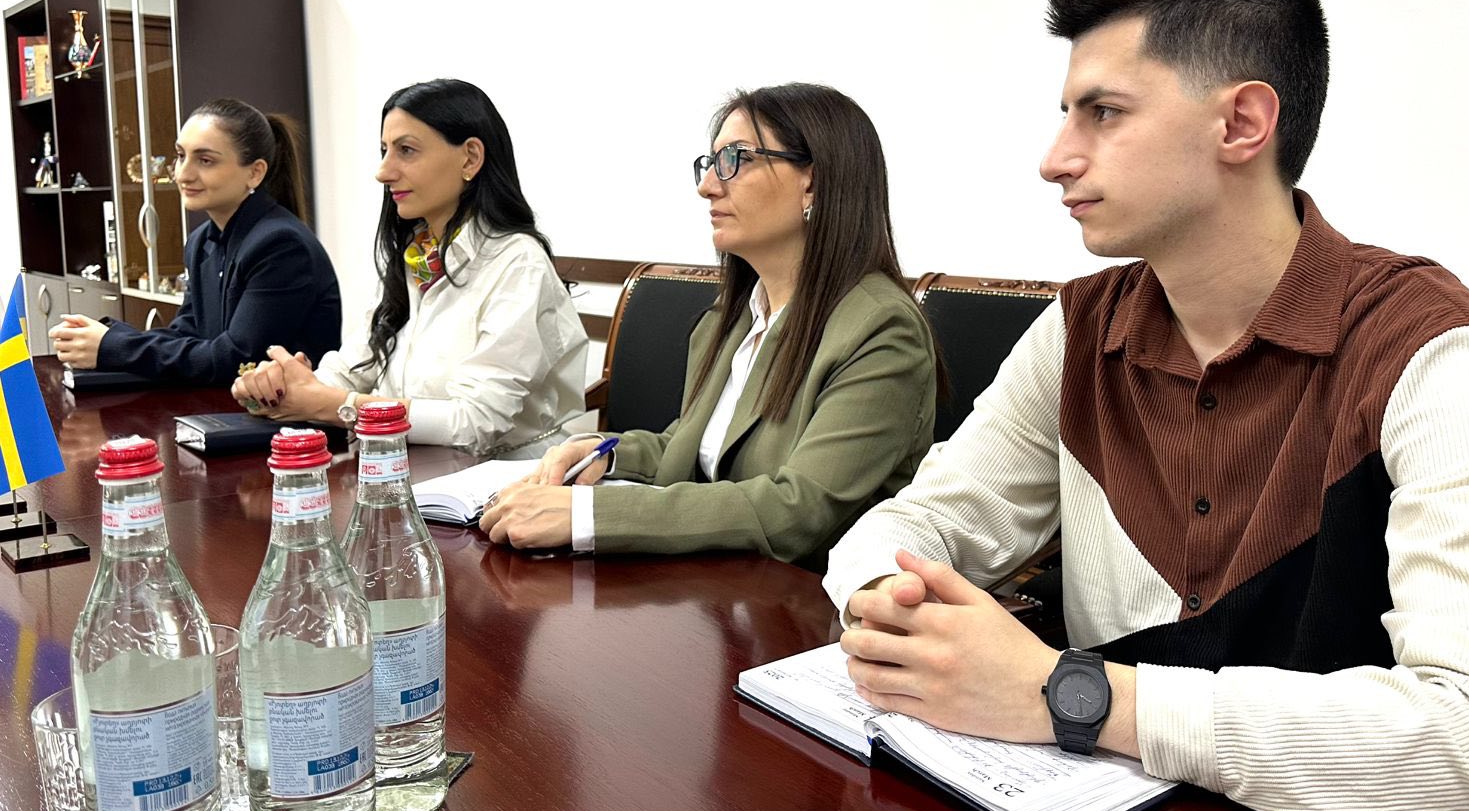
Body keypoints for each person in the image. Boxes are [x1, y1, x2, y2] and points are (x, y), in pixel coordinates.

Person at [824, 0, 1469, 811]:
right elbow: (916, 523)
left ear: (1241, 124)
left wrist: (1070, 695)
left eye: (1103, 112)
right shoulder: (1080, 329)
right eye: (1067, 114)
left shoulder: (1432, 349)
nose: (1055, 158)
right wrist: (885, 600)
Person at [479, 83, 939, 572]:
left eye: (737, 159)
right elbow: (694, 447)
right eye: (712, 163)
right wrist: (607, 454)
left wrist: (588, 514)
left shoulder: (881, 329)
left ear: (813, 183)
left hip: (808, 598)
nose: (709, 187)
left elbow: (798, 511)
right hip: (718, 584)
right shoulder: (733, 315)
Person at [230, 79, 586, 457]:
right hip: (412, 466)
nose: (383, 172)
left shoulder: (518, 263)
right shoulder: (417, 256)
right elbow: (352, 368)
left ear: (470, 158)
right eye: (385, 151)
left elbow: (475, 423)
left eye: (406, 150)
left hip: (504, 477)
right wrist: (282, 386)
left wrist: (332, 404)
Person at [48, 99, 340, 385]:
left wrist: (114, 345)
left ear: (255, 173)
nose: (183, 174)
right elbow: (187, 334)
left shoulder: (281, 246)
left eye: (205, 160)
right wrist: (107, 337)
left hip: (285, 416)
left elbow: (237, 360)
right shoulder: (201, 241)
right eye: (180, 156)